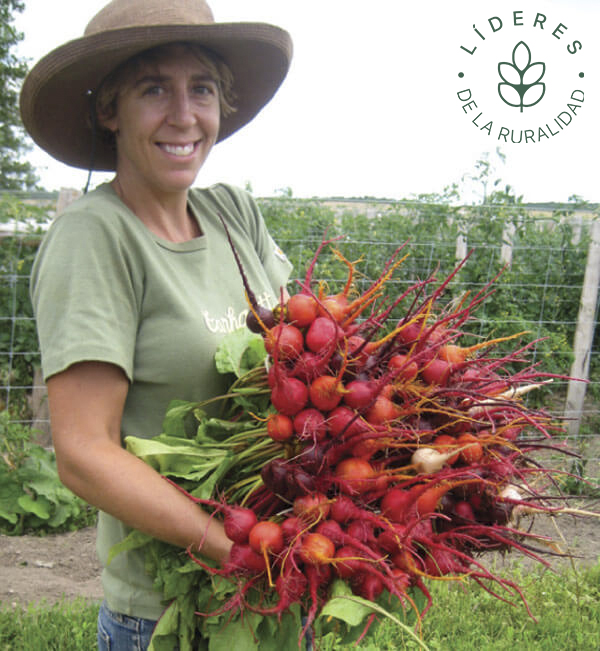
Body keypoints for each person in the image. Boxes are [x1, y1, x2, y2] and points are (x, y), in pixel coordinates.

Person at [19, 1, 293, 648]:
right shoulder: (94, 237)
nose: (183, 115)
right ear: (108, 111)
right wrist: (230, 545)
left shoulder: (233, 213)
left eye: (201, 87)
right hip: (169, 614)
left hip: (277, 585)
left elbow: (305, 354)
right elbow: (84, 453)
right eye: (152, 89)